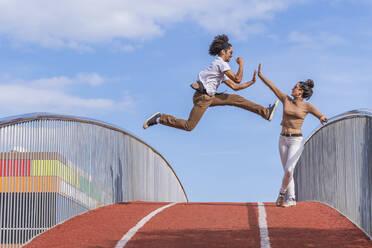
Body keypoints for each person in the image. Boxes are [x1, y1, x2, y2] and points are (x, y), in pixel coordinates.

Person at [143, 34, 278, 131]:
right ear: (223, 52)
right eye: (230, 52)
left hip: (210, 96)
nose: (232, 55)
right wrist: (241, 64)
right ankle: (160, 118)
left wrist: (251, 82)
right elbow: (237, 78)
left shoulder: (220, 69)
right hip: (203, 98)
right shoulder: (220, 63)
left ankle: (265, 112)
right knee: (189, 126)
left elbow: (235, 86)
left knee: (237, 99)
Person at [257, 63, 328, 207]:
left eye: (295, 87)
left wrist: (322, 118)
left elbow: (320, 115)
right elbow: (273, 87)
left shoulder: (307, 106)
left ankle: (282, 193)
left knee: (289, 169)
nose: (292, 89)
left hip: (296, 140)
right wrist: (260, 76)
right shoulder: (286, 100)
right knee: (287, 171)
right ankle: (292, 199)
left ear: (300, 91)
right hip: (283, 139)